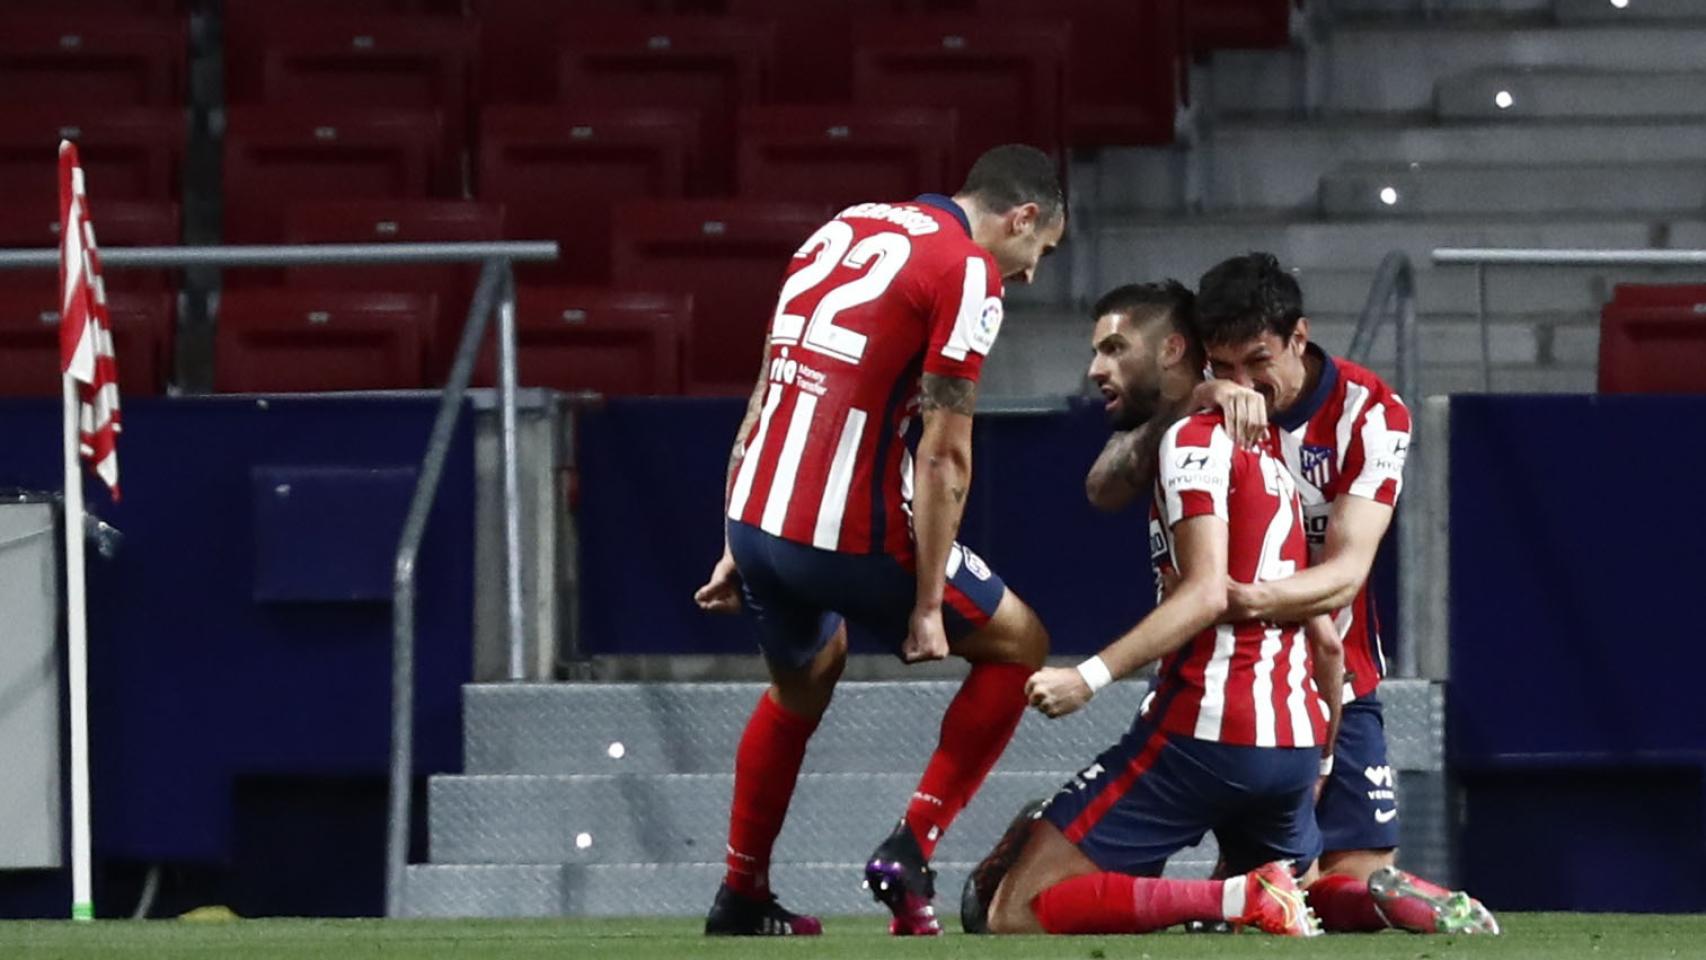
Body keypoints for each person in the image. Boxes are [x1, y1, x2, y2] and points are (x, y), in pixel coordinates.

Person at [693, 144, 1065, 937]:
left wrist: (733, 534)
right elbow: (944, 451)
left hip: (759, 519)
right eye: (1042, 252)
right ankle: (912, 848)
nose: (1031, 274)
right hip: (851, 533)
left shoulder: (843, 226)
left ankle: (740, 893)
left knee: (806, 678)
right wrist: (927, 603)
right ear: (1022, 217)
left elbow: (771, 384)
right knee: (1020, 642)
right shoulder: (967, 269)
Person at [963, 281, 1344, 937]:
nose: (1095, 368)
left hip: (1208, 729)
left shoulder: (1195, 440)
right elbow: (1328, 641)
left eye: (1114, 348)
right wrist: (1323, 759)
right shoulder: (1268, 455)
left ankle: (1235, 898)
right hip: (1294, 740)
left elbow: (1206, 592)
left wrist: (1085, 677)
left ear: (1171, 348)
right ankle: (1391, 895)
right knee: (1299, 903)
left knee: (1016, 911)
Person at [1192, 253, 1498, 935]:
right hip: (1239, 687)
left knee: (1350, 882)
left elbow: (1347, 572)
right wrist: (1194, 398)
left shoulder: (1372, 412)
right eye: (1223, 368)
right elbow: (1107, 485)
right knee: (1270, 894)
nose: (1241, 385)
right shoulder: (1201, 408)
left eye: (1257, 362)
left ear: (1299, 337)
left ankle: (1403, 900)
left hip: (1344, 673)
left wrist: (1231, 598)